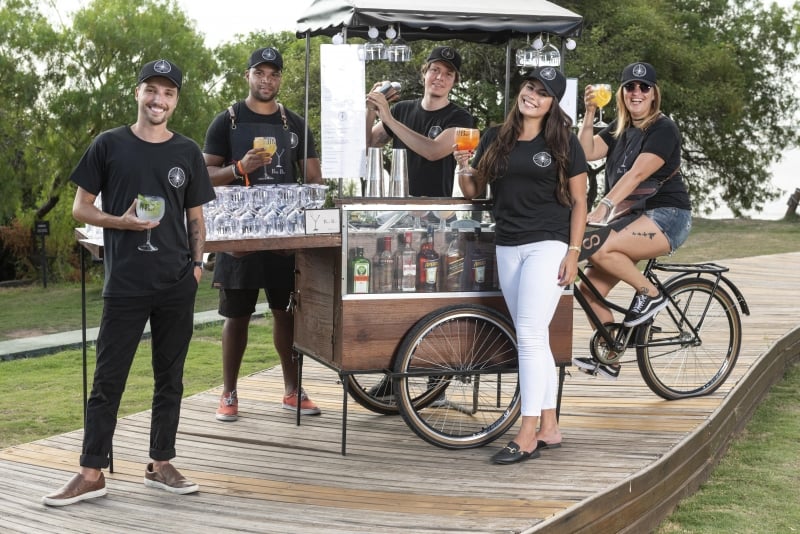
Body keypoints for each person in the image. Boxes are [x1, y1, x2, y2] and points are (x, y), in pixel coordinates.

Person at [43, 59, 215, 506]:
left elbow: (196, 216)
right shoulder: (108, 145)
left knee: (170, 377)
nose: (159, 99)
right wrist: (117, 222)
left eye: (168, 93)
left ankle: (161, 464)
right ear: (137, 92)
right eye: (152, 90)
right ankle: (91, 472)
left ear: (176, 100)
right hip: (124, 282)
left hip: (177, 280)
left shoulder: (187, 152)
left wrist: (197, 266)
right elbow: (80, 209)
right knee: (108, 380)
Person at [456, 67, 588, 464]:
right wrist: (463, 166)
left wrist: (574, 251)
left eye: (544, 93)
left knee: (529, 333)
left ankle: (527, 432)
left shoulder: (563, 140)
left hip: (548, 244)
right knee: (535, 336)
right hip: (507, 243)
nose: (533, 95)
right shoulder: (497, 136)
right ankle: (550, 426)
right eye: (531, 87)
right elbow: (475, 189)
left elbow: (580, 201)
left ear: (553, 104)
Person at [203, 46, 323, 421]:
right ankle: (229, 393)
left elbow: (313, 178)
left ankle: (292, 390)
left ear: (280, 79)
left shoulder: (296, 125)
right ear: (248, 76)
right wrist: (240, 167)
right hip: (239, 234)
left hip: (283, 238)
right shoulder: (227, 122)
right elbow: (205, 177)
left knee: (285, 314)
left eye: (273, 74)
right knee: (235, 316)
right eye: (260, 73)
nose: (266, 80)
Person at [572, 62, 692, 380]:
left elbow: (639, 172)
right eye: (630, 87)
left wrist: (605, 206)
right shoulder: (619, 128)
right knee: (587, 290)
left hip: (668, 217)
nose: (636, 92)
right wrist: (588, 113)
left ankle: (650, 294)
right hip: (634, 218)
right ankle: (610, 353)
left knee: (597, 248)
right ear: (622, 93)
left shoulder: (663, 129)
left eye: (644, 87)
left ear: (654, 94)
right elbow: (584, 152)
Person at [366, 45, 474, 197]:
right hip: (400, 209)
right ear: (424, 73)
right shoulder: (401, 109)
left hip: (438, 211)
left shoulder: (461, 118)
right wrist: (371, 107)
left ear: (454, 81)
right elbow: (368, 145)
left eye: (448, 74)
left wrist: (389, 120)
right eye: (435, 70)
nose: (439, 77)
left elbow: (433, 152)